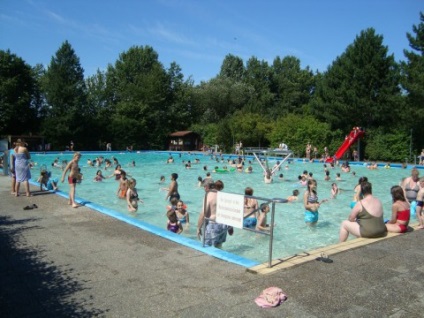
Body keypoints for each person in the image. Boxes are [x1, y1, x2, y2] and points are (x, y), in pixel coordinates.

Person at [197, 180, 232, 248]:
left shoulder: (208, 196)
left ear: (206, 187)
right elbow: (228, 211)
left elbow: (203, 213)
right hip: (223, 224)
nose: (204, 188)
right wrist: (230, 227)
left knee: (207, 247)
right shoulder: (223, 196)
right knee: (219, 246)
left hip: (213, 225)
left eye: (204, 186)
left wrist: (198, 227)